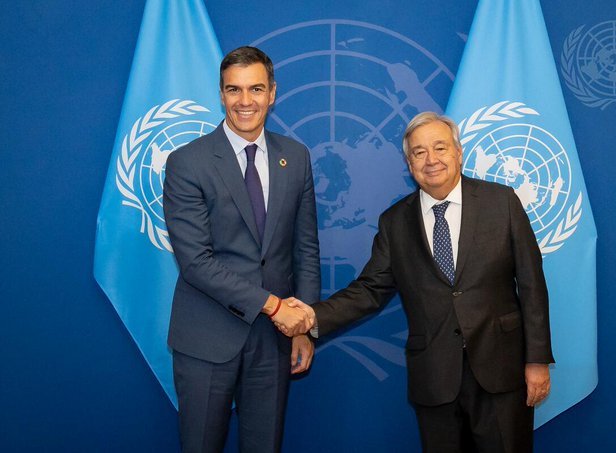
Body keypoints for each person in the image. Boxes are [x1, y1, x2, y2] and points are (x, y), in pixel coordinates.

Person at [292, 112, 554, 452]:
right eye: (419, 152)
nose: (431, 160)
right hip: (434, 378)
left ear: (458, 152)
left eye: (440, 148)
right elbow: (370, 290)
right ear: (409, 163)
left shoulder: (502, 202)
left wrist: (536, 361)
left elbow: (533, 285)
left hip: (501, 373)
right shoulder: (395, 222)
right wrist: (311, 317)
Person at [163, 46, 319, 453]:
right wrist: (274, 306)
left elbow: (305, 247)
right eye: (234, 90)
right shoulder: (187, 163)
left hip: (275, 339)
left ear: (272, 93)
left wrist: (303, 327)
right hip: (207, 338)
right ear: (221, 94)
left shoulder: (296, 157)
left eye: (255, 89)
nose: (245, 101)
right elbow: (196, 262)